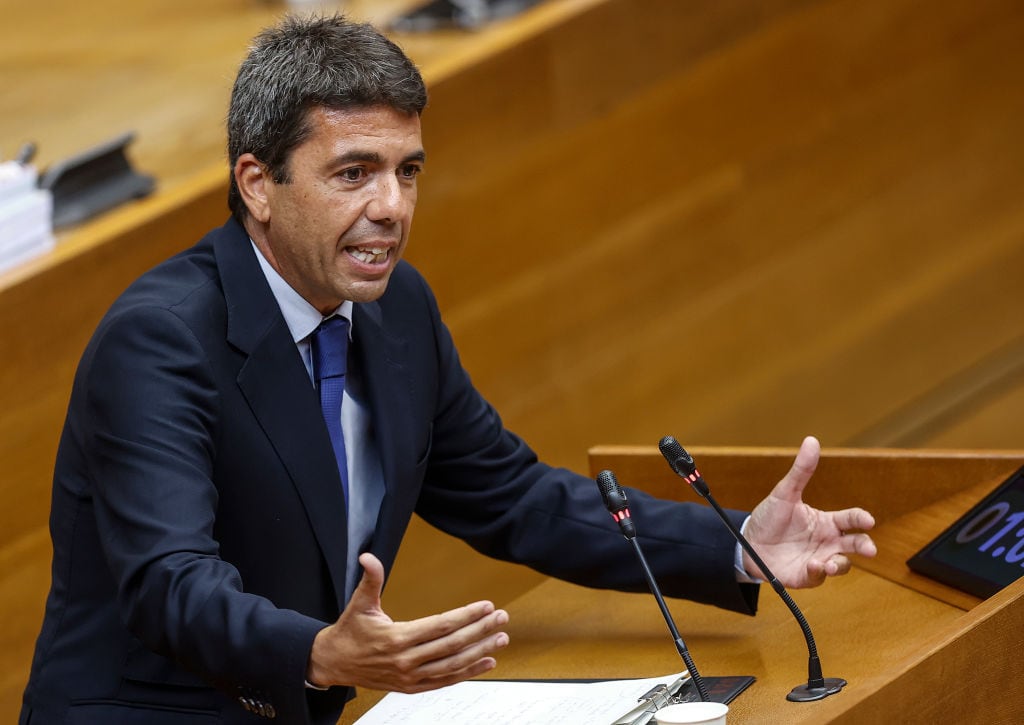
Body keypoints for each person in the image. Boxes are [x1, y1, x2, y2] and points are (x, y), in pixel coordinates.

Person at [19, 14, 877, 725]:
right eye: (354, 173)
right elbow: (171, 585)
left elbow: (511, 495)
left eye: (407, 172)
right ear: (258, 183)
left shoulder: (398, 313)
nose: (390, 207)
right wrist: (318, 652)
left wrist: (732, 547)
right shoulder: (160, 341)